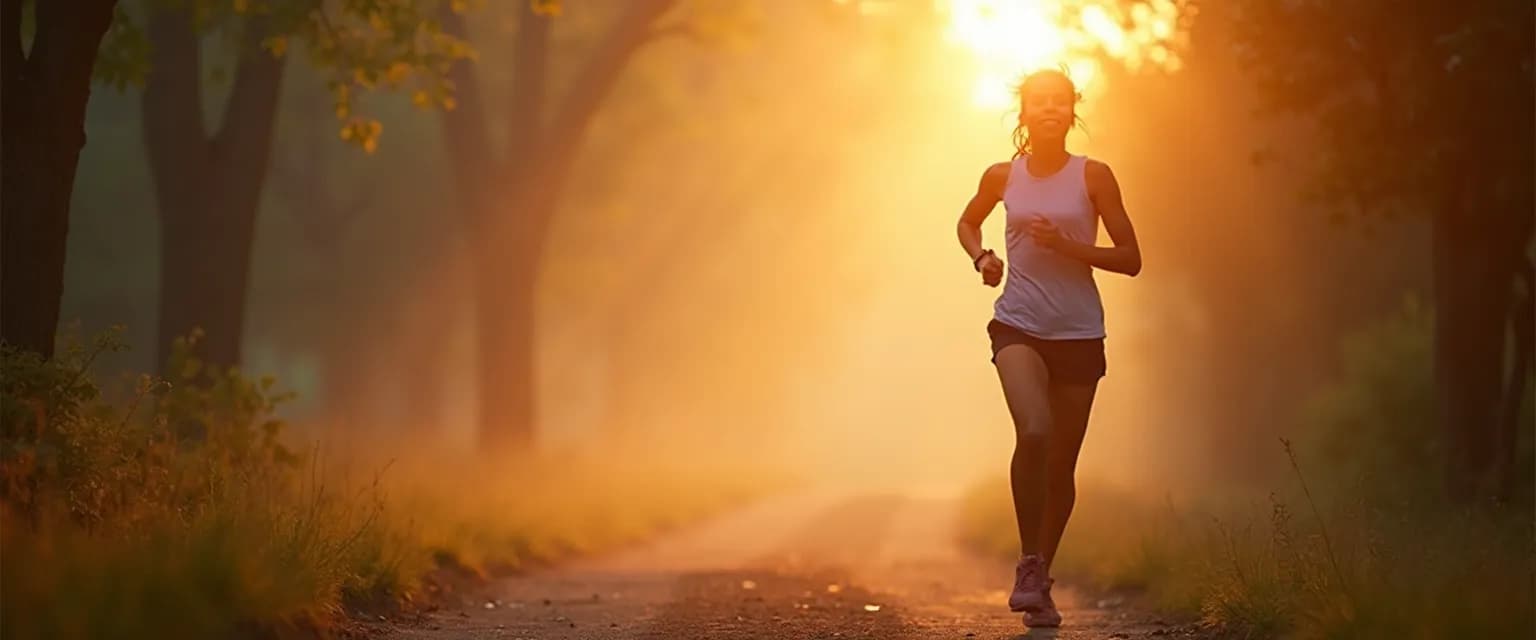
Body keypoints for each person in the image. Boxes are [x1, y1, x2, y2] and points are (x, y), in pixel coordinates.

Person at [954, 68, 1142, 628]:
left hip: (1079, 333)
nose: (1050, 109)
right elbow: (967, 222)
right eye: (1039, 101)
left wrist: (1068, 245)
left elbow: (1130, 258)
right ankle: (1029, 562)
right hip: (1018, 324)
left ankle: (1041, 578)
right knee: (1034, 431)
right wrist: (982, 258)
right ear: (1024, 112)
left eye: (1060, 101)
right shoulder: (1002, 176)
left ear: (1072, 110)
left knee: (1061, 466)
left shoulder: (1094, 176)